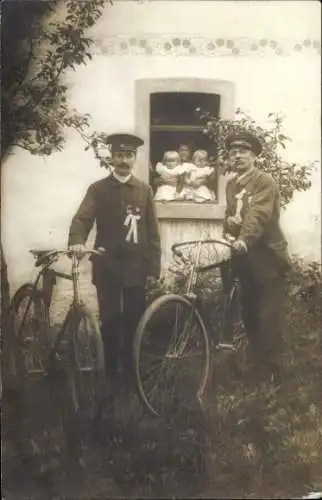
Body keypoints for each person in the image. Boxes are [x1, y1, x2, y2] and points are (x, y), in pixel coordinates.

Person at [68, 133, 161, 389]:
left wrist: (154, 267)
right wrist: (77, 240)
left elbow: (152, 231)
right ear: (111, 158)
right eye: (119, 155)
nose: (124, 161)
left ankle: (133, 377)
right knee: (110, 321)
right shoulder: (98, 189)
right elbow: (82, 218)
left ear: (134, 158)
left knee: (134, 320)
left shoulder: (144, 189)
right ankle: (109, 376)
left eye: (129, 156)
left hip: (135, 267)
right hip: (107, 264)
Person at [223, 131, 291, 382]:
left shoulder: (264, 182)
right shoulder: (232, 184)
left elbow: (259, 215)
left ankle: (273, 375)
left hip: (267, 259)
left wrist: (243, 239)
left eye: (244, 151)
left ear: (254, 156)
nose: (238, 156)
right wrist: (228, 231)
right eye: (233, 152)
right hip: (245, 259)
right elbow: (233, 216)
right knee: (249, 314)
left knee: (268, 317)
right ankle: (257, 366)